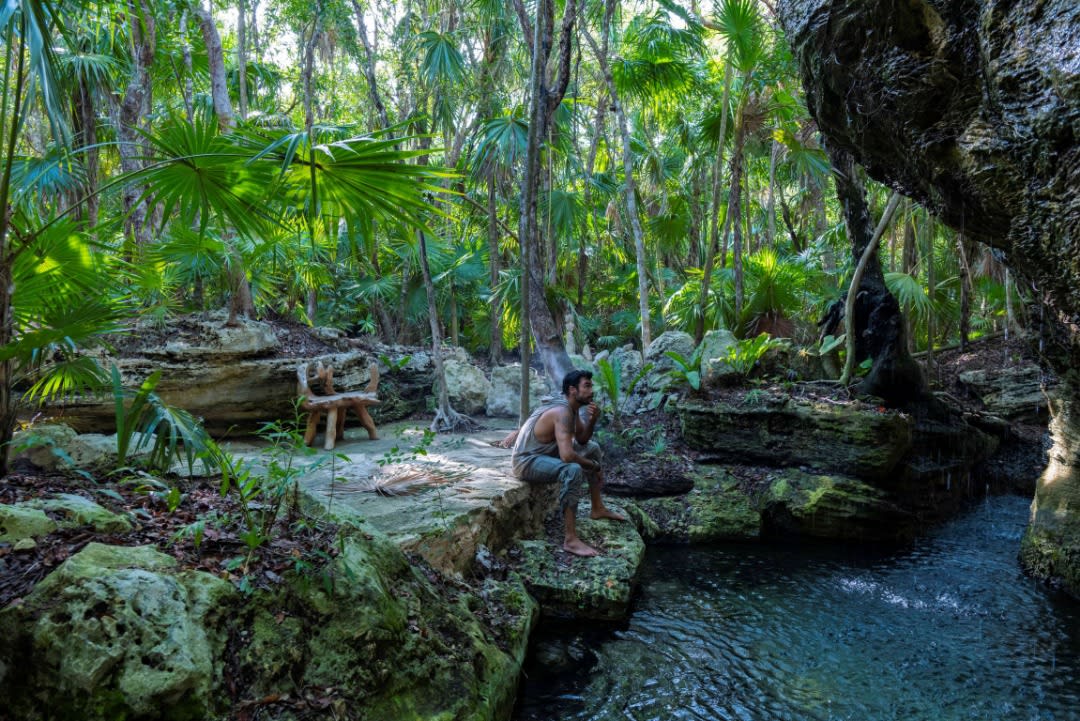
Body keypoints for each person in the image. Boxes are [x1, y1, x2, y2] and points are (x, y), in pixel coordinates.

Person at [511, 369, 626, 557]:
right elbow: (567, 456)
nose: (592, 390)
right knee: (572, 470)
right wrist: (593, 466)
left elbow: (582, 440)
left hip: (546, 455)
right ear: (573, 390)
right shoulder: (562, 411)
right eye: (587, 386)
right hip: (526, 461)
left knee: (594, 448)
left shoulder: (572, 409)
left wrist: (593, 420)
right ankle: (570, 539)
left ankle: (597, 508)